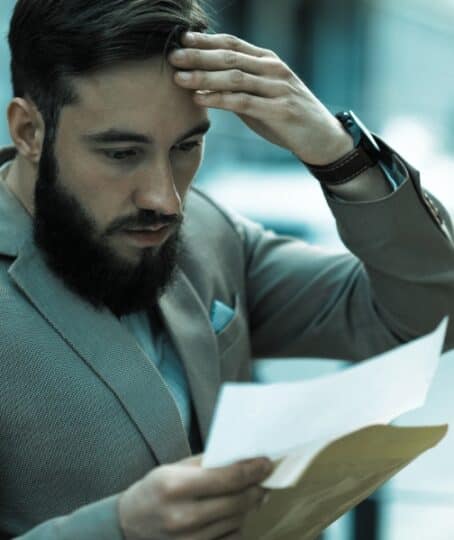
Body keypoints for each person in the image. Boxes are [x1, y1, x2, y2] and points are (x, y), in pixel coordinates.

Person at [1, 0, 454, 539]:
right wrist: (119, 529)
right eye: (122, 153)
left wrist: (340, 155)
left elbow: (429, 313)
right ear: (29, 131)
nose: (165, 200)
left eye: (187, 146)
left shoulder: (209, 234)